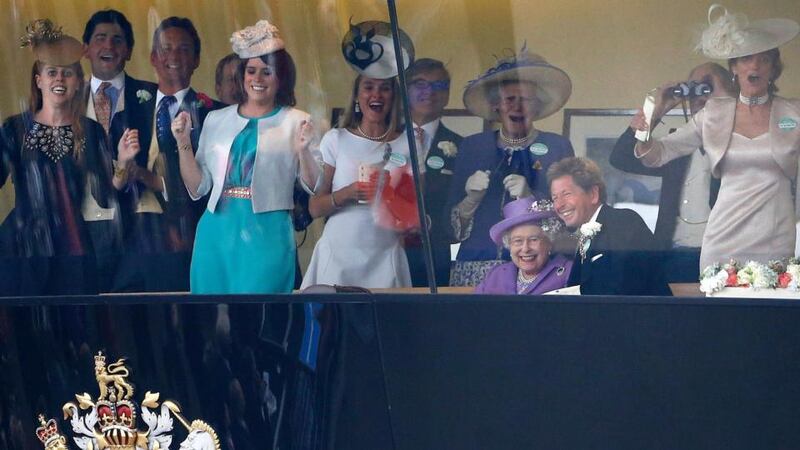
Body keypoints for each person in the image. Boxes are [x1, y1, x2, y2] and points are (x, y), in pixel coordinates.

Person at [631, 5, 800, 270]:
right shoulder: (713, 114)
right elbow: (657, 155)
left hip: (776, 235)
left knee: (768, 309)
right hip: (724, 234)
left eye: (763, 59)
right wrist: (649, 124)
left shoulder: (794, 113)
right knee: (719, 308)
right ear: (734, 67)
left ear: (772, 69)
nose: (754, 65)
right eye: (746, 59)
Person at [171, 20, 319, 294]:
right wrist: (183, 143)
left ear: (281, 77)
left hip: (268, 231)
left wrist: (304, 151)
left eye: (267, 72)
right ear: (242, 76)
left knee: (262, 316)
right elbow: (197, 187)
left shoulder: (297, 121)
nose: (258, 79)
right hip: (217, 230)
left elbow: (313, 185)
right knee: (213, 318)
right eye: (251, 71)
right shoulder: (216, 119)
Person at [0, 19, 139, 295]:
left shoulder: (91, 131)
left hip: (72, 244)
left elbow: (107, 193)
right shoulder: (14, 129)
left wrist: (123, 163)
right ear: (39, 81)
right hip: (23, 244)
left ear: (78, 82)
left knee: (75, 326)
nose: (59, 80)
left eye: (67, 73)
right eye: (51, 73)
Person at [302, 21, 417, 289]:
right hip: (339, 251)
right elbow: (314, 208)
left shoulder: (408, 144)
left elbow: (413, 216)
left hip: (384, 252)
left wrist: (391, 194)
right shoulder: (337, 139)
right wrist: (349, 193)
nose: (376, 94)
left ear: (393, 96)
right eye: (368, 87)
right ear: (357, 96)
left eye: (384, 88)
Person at [448, 47, 575, 286]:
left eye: (525, 99)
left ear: (536, 107)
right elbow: (450, 230)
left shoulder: (557, 147)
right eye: (509, 99)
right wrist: (470, 201)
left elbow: (569, 223)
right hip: (476, 266)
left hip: (537, 269)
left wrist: (531, 200)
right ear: (497, 106)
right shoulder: (473, 147)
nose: (517, 107)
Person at [113, 16, 222, 292]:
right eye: (166, 48)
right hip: (129, 240)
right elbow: (109, 180)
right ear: (152, 57)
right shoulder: (128, 111)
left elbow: (211, 187)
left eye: (184, 49)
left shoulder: (213, 114)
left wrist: (154, 180)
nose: (173, 56)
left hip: (183, 239)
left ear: (197, 59)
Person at [609, 62, 734, 282]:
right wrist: (657, 111)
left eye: (707, 87)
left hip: (724, 253)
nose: (699, 96)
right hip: (675, 252)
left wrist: (724, 98)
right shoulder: (675, 143)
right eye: (694, 89)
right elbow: (622, 158)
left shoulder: (741, 143)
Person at [82, 9, 158, 292]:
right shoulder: (65, 99)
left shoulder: (152, 96)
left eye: (117, 40)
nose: (109, 46)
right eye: (100, 38)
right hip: (84, 227)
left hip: (141, 230)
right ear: (86, 48)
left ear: (128, 51)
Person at [548, 157, 670, 296]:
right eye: (555, 198)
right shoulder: (585, 235)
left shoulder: (624, 222)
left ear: (593, 194)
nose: (559, 205)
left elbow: (623, 286)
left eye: (566, 194)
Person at [404, 58, 463, 287]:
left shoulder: (462, 146)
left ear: (447, 93)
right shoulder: (385, 138)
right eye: (420, 84)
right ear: (405, 90)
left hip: (437, 257)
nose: (429, 92)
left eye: (439, 85)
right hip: (386, 251)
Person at [475, 196, 572, 294]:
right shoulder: (496, 274)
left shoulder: (568, 272)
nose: (525, 249)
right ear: (509, 245)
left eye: (534, 239)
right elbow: (475, 307)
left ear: (549, 242)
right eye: (518, 241)